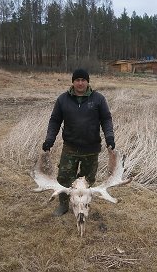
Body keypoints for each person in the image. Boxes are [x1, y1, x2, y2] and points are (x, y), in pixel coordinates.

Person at [42, 68, 115, 216]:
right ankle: (63, 205)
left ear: (88, 82)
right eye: (77, 80)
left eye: (83, 80)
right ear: (73, 82)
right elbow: (55, 121)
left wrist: (110, 138)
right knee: (63, 178)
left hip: (91, 149)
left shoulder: (98, 99)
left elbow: (106, 119)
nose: (80, 83)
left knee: (87, 181)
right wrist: (49, 140)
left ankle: (83, 205)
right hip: (70, 148)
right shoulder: (63, 100)